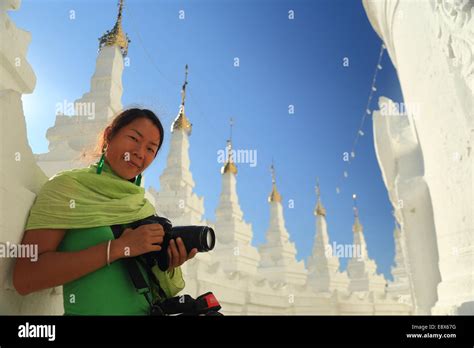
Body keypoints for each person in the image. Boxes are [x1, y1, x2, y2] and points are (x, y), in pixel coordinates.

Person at [13, 108, 198, 315]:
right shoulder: (68, 188)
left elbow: (157, 292)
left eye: (150, 149)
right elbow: (25, 277)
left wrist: (169, 263)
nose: (139, 153)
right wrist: (118, 248)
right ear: (109, 134)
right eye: (134, 138)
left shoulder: (142, 208)